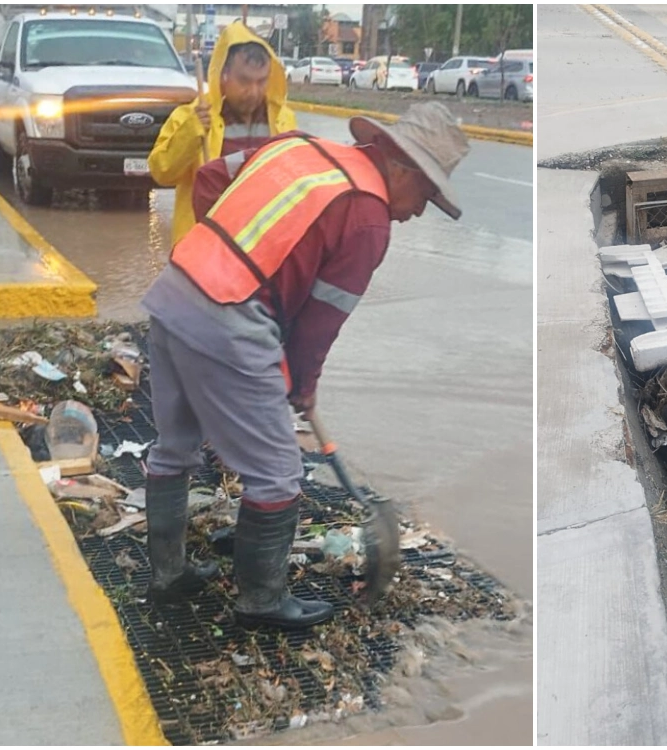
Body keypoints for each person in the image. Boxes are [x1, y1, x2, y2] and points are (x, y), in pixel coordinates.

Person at [139, 102, 470, 630]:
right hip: (230, 317)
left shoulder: (299, 146)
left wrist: (220, 256)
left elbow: (208, 179)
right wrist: (303, 386)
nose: (419, 210)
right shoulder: (366, 218)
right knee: (278, 476)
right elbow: (317, 327)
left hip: (176, 290)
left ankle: (168, 577)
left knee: (173, 449)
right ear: (402, 166)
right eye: (426, 194)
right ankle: (261, 603)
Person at [149, 22, 296, 246]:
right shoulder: (191, 116)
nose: (254, 91)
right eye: (244, 81)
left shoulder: (283, 121)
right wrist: (191, 133)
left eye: (262, 81)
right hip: (204, 250)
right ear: (223, 75)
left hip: (261, 251)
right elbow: (161, 171)